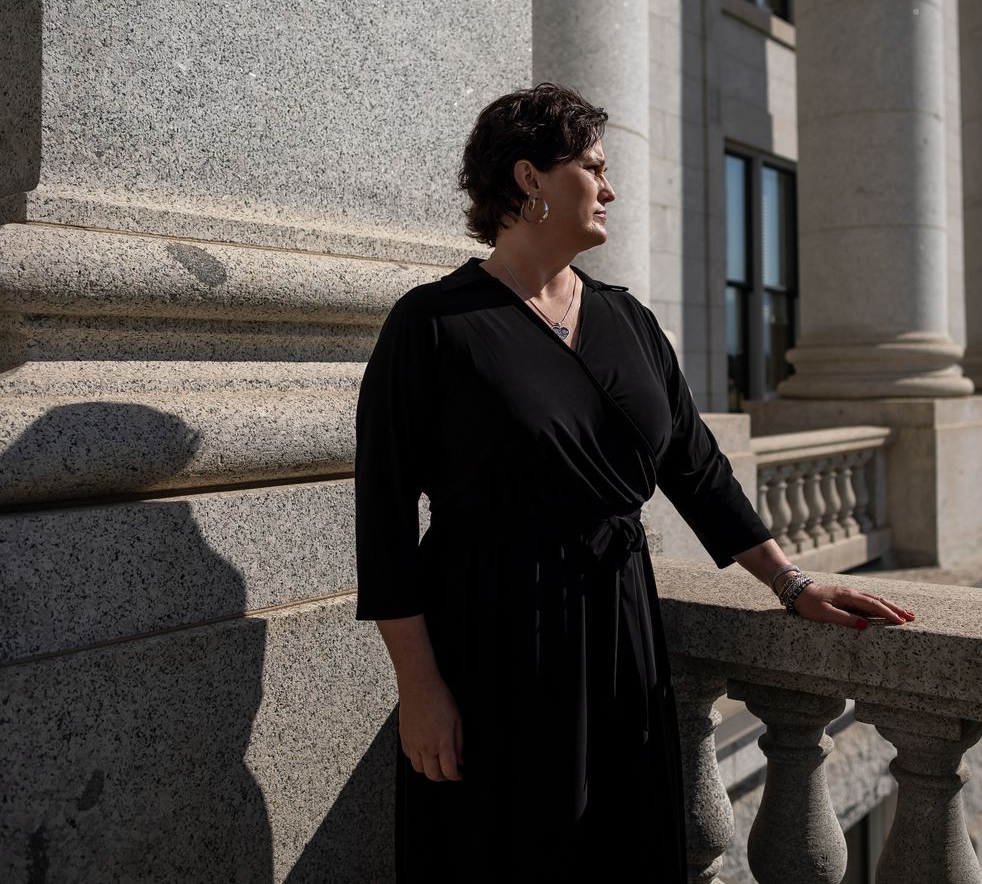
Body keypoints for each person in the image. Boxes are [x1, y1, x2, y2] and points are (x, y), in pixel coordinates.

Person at [354, 83, 914, 882]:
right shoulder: (434, 325)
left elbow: (698, 470)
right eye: (592, 166)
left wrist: (792, 583)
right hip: (491, 638)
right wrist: (420, 685)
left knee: (621, 852)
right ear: (529, 179)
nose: (610, 187)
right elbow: (381, 519)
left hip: (621, 631)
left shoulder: (630, 322)